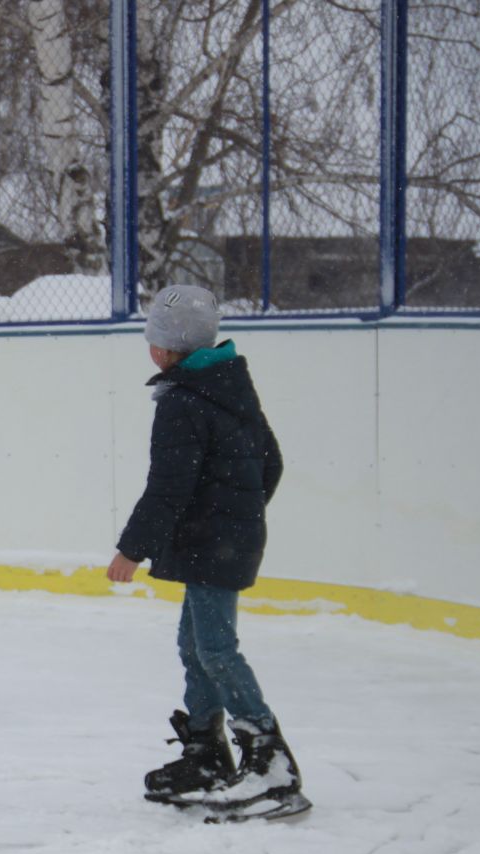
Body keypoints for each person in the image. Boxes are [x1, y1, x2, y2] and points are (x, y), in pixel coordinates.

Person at [107, 284, 307, 818]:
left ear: (163, 347)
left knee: (215, 649)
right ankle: (206, 751)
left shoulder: (183, 401)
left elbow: (168, 487)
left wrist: (132, 549)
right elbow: (272, 464)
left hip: (213, 543)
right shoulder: (229, 384)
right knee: (195, 646)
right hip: (224, 539)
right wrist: (238, 514)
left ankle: (270, 764)